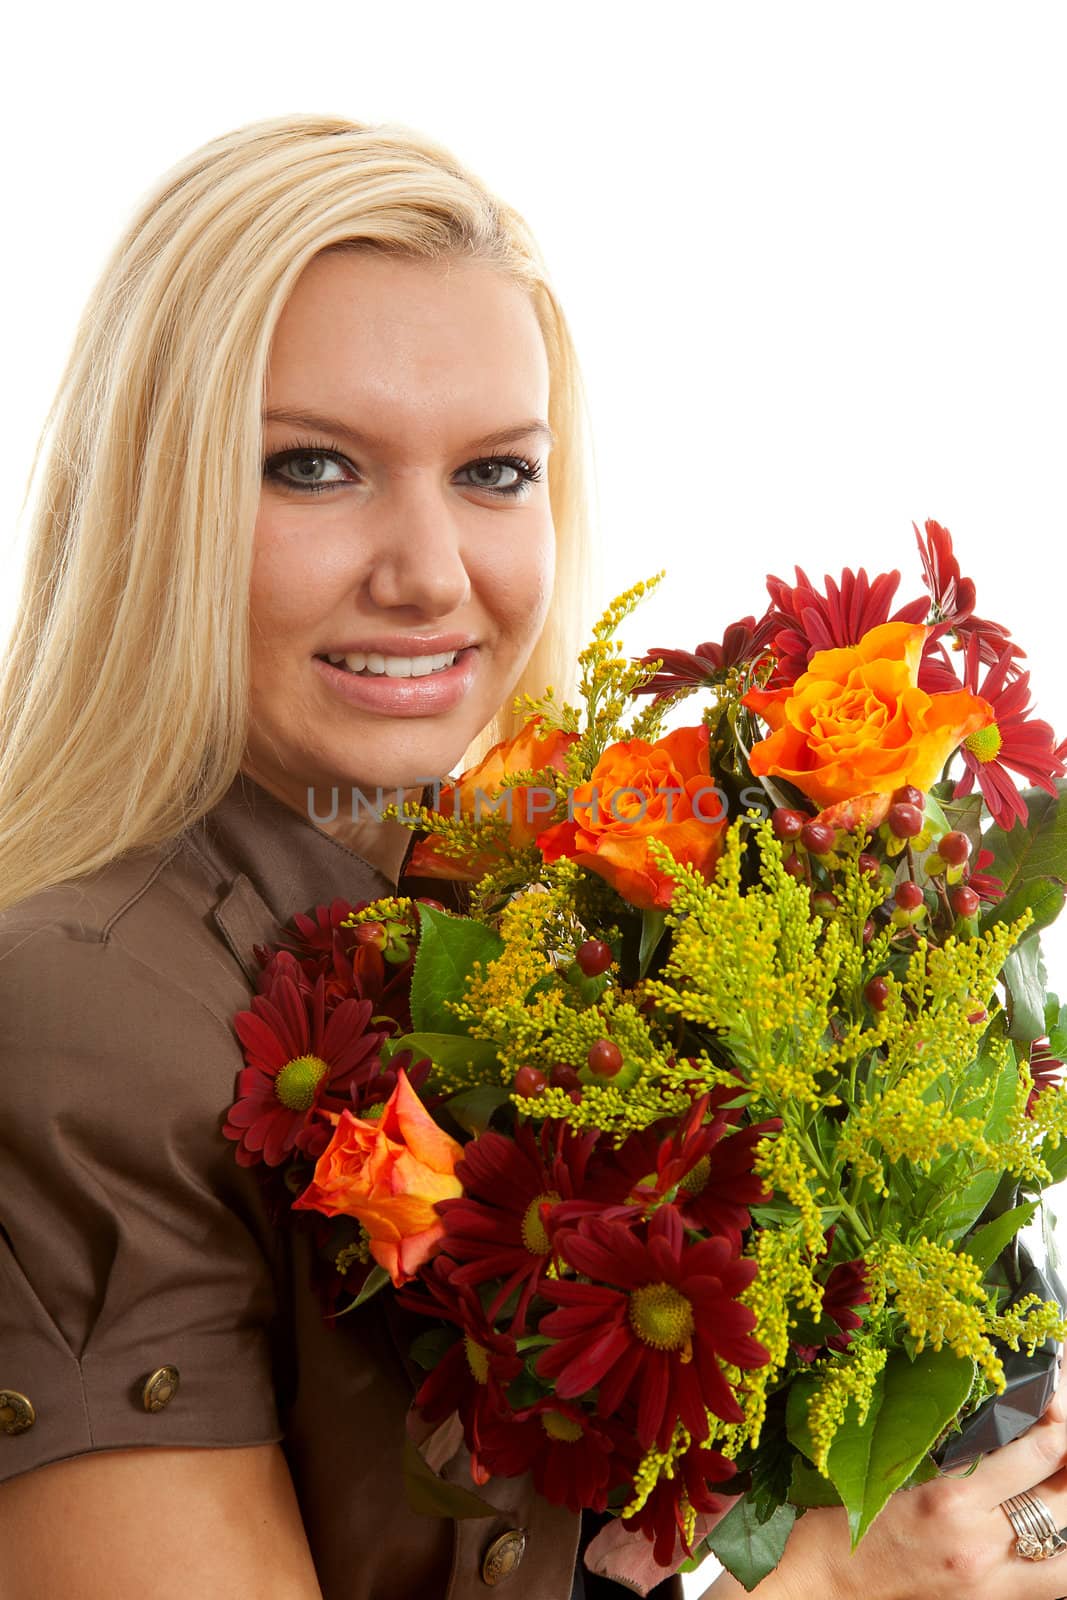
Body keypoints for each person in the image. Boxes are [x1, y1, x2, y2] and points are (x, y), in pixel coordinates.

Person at [0, 112, 1064, 1600]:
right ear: (156, 502)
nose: (431, 573)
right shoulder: (81, 1016)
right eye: (313, 466)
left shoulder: (520, 936)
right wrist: (821, 1588)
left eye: (495, 473)